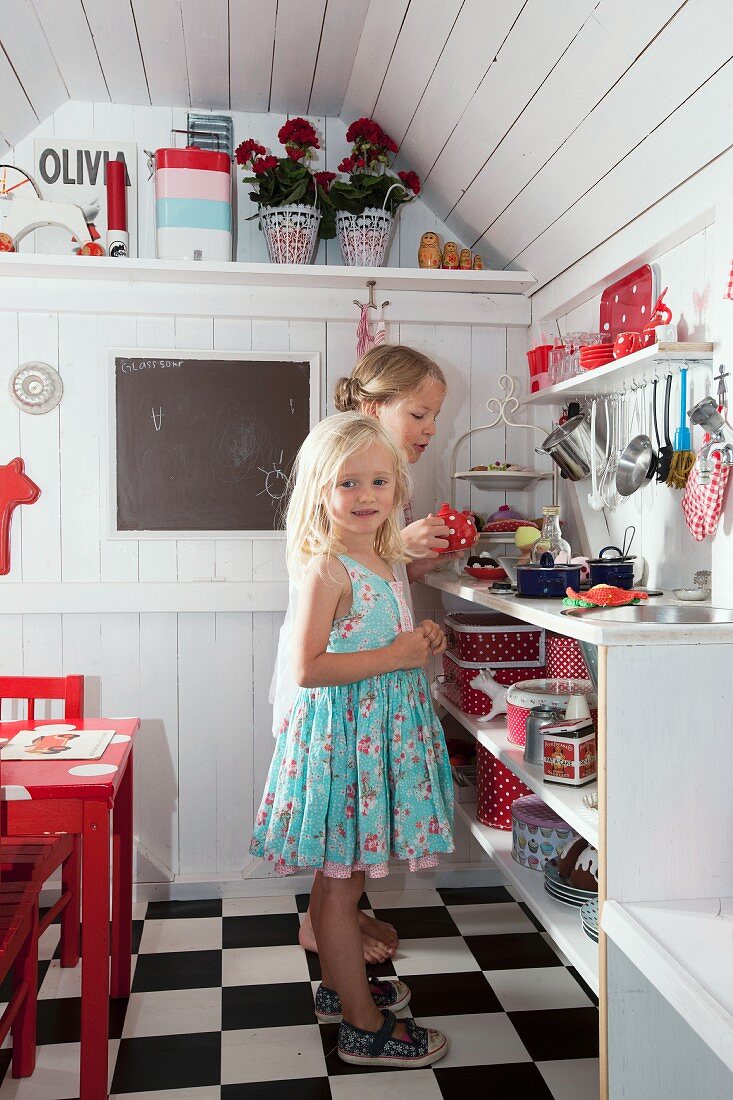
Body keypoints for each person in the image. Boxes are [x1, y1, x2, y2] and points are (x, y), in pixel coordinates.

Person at [251, 413, 453, 1067]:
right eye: (347, 483)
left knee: (343, 877)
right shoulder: (327, 570)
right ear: (319, 490)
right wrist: (397, 656)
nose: (365, 496)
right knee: (341, 886)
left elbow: (381, 640)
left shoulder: (381, 558)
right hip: (344, 748)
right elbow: (310, 668)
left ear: (397, 486)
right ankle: (362, 1028)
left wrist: (419, 643)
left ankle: (342, 985)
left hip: (372, 741)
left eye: (378, 480)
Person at [270, 344, 455, 962]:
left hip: (374, 670)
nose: (430, 429)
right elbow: (344, 579)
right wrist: (400, 543)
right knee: (338, 812)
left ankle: (337, 918)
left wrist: (416, 556)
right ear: (377, 407)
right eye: (419, 415)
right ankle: (325, 923)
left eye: (435, 418)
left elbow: (385, 573)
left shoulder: (383, 478)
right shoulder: (352, 483)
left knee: (348, 814)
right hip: (344, 678)